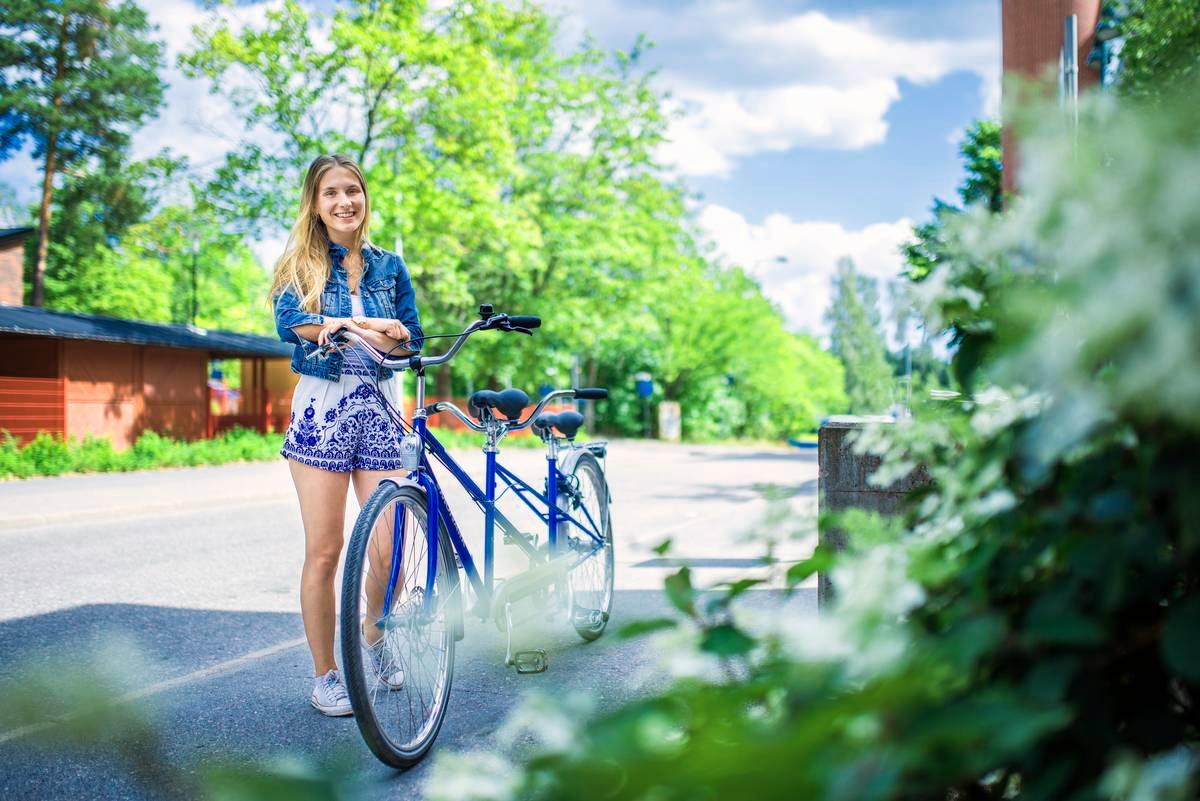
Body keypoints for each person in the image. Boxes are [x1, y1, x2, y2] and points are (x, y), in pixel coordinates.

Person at [270, 153, 422, 716]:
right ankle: (326, 675)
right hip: (322, 413)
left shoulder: (390, 267)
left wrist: (365, 330)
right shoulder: (300, 266)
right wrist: (372, 328)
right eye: (331, 192)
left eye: (352, 190)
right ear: (315, 202)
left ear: (364, 198)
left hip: (382, 410)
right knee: (327, 550)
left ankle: (374, 636)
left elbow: (412, 341)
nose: (344, 202)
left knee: (389, 549)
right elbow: (298, 327)